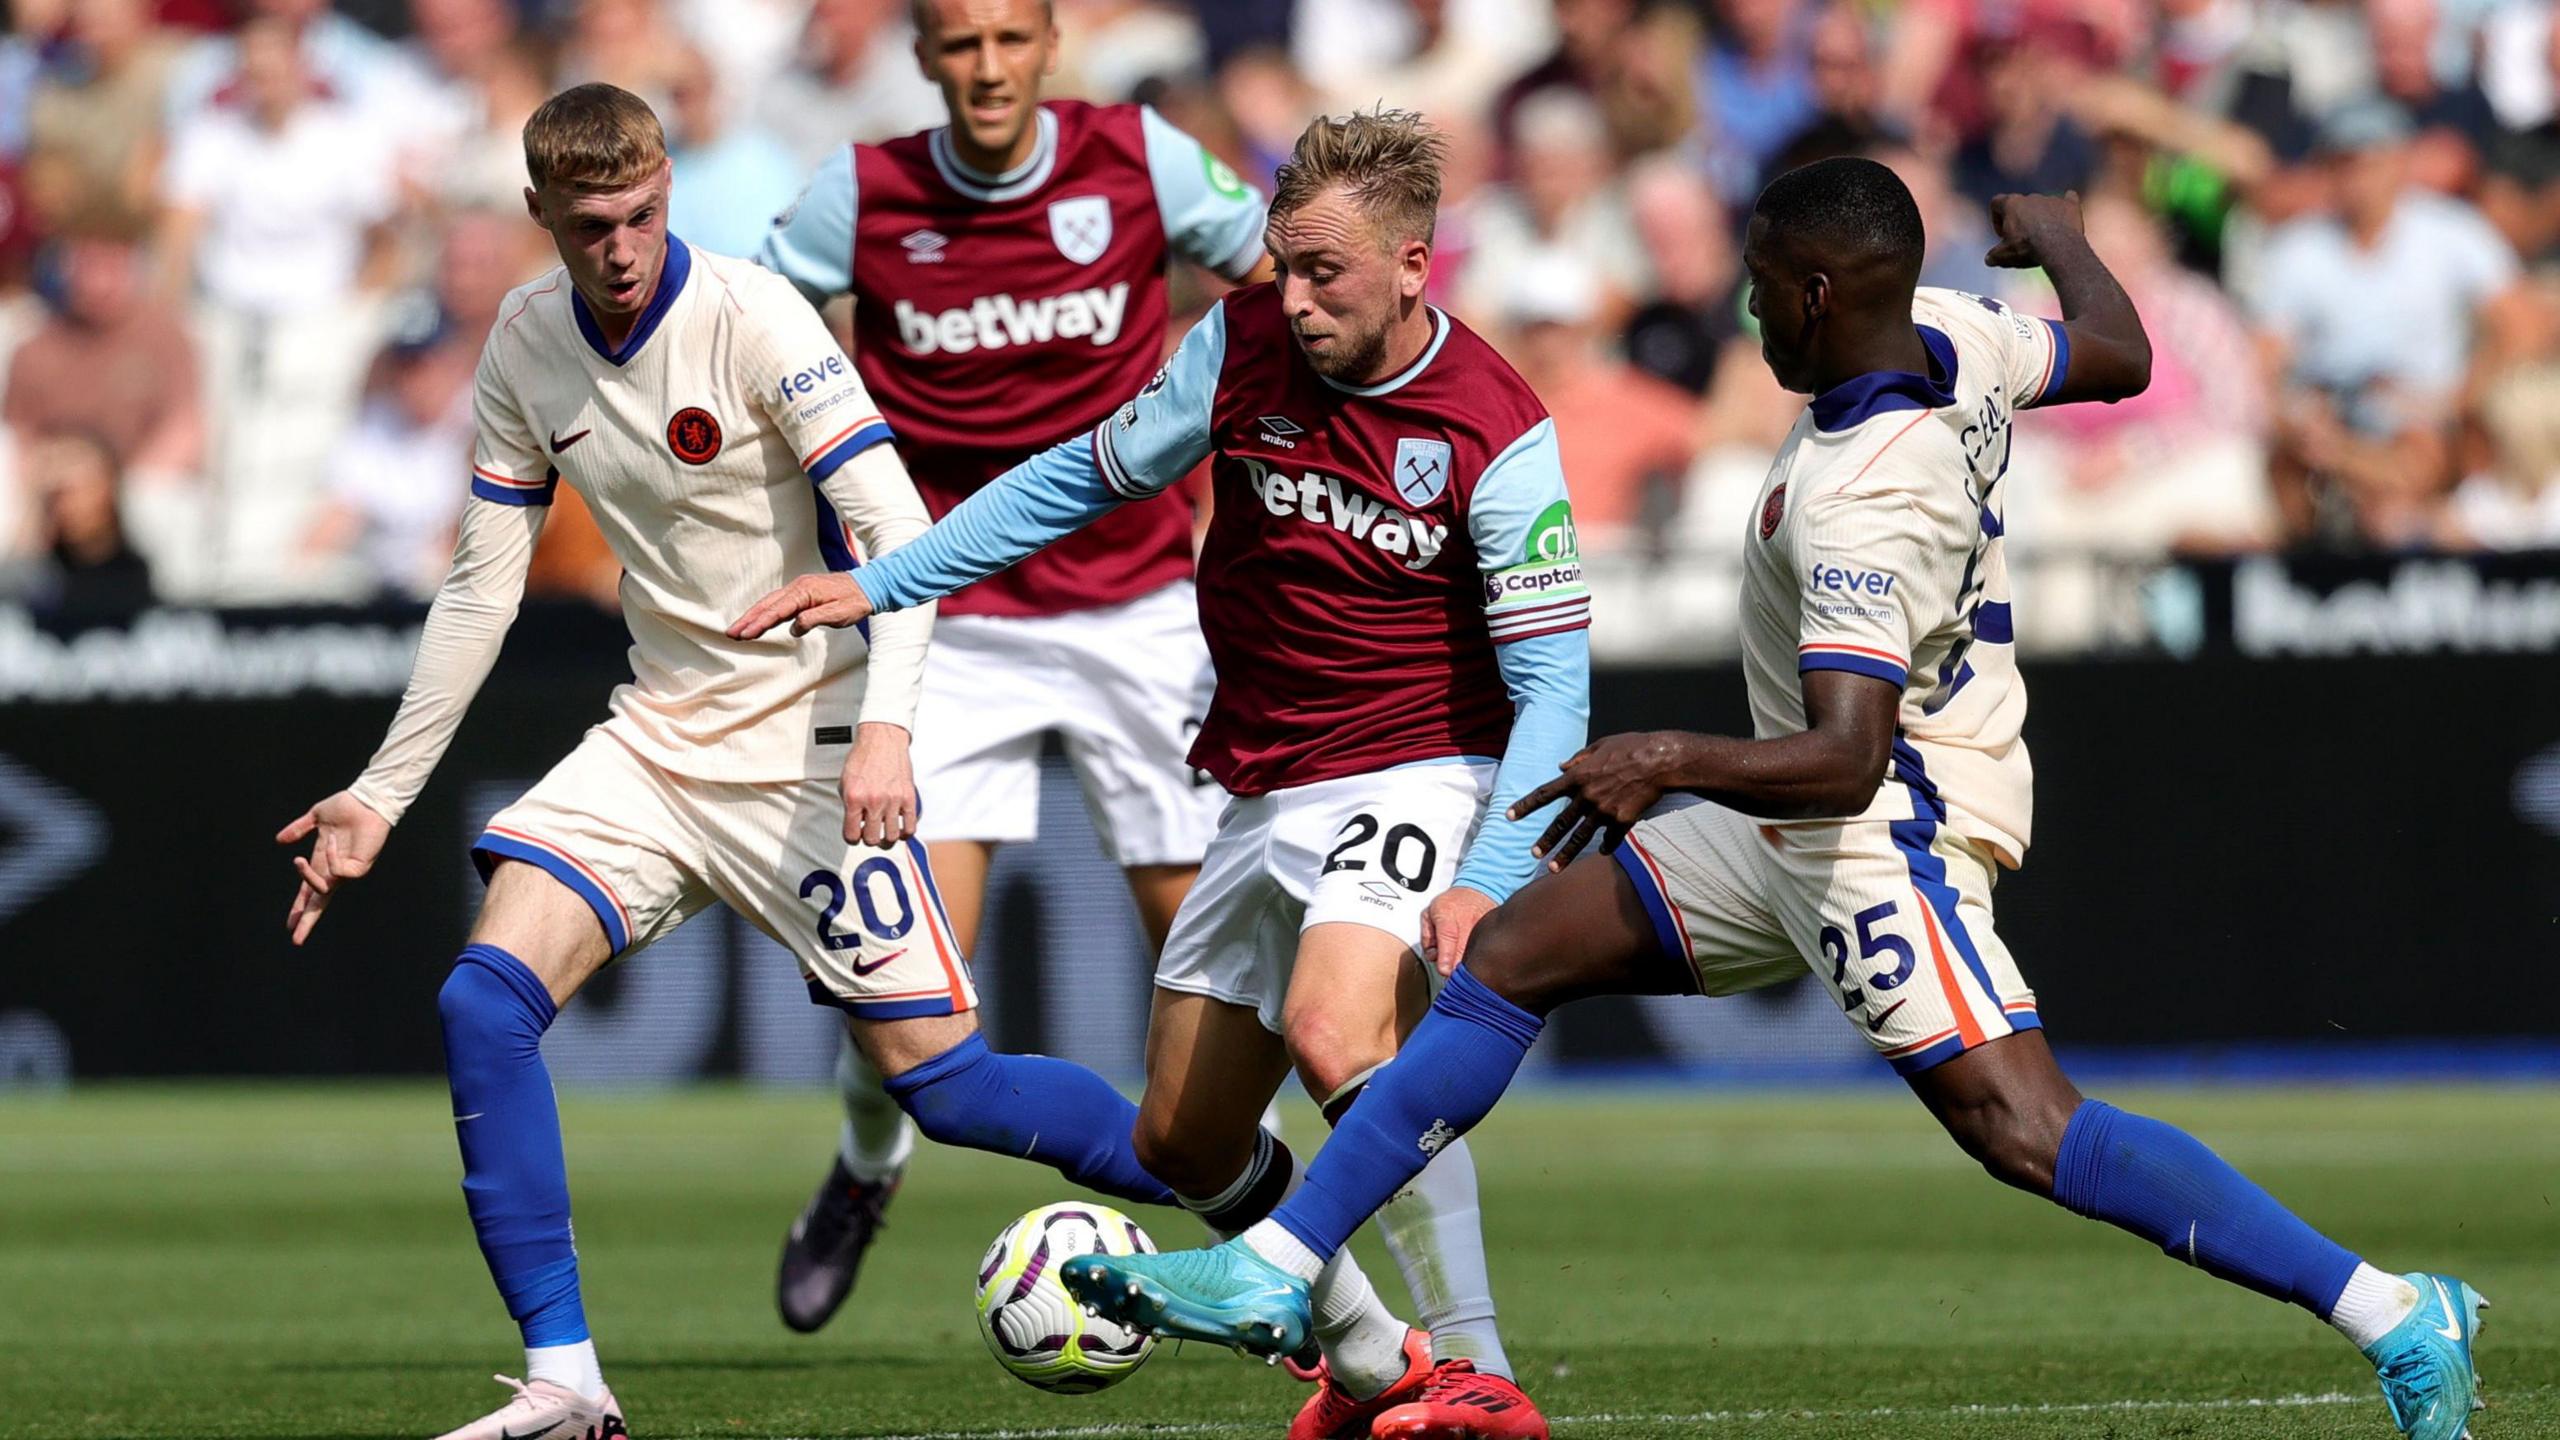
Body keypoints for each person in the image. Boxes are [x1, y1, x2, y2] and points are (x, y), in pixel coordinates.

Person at [1067, 159, 2494, 1440]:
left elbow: (1846, 756)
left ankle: (2389, 1309)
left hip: (1883, 832)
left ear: (1821, 293)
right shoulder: (1953, 331)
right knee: (1509, 955)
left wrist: (1664, 757)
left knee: (2025, 1128)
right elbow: (2115, 351)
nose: (1747, 320)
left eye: (1761, 292)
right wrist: (2061, 234)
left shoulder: (1863, 495)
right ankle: (1283, 1267)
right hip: (1790, 825)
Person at [272, 84, 1254, 1440]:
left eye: (642, 215)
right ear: (540, 214)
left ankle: (1282, 1229)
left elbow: (900, 539)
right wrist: (381, 795)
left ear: (668, 188)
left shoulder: (754, 319)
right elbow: (480, 589)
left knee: (948, 1086)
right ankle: (566, 1383)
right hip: (662, 737)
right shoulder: (525, 345)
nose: (621, 247)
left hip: (812, 746)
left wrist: (891, 731)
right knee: (481, 1006)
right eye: (592, 225)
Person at [735, 107, 1582, 1440]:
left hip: (1423, 761)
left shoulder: (1495, 427)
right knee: (1182, 1143)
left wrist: (1485, 877)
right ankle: (1374, 1364)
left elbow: (1556, 692)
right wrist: (889, 582)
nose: (1292, 299)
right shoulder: (1239, 347)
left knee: (1334, 1030)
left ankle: (1480, 1364)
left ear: (1417, 262)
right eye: (1286, 269)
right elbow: (1076, 479)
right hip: (1266, 775)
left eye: (1328, 274)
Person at [755, 0, 1267, 1340]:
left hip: (1139, 607)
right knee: (905, 977)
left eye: (1007, 39)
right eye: (959, 44)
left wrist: (1240, 457)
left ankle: (1263, 1226)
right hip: (948, 620)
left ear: (1047, 46)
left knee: (1209, 946)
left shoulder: (1144, 161)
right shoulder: (860, 195)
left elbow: (1281, 286)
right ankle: (869, 1166)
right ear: (925, 58)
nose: (985, 67)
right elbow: (750, 335)